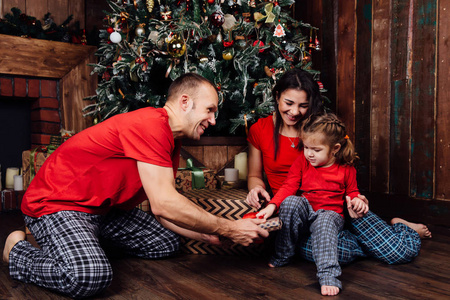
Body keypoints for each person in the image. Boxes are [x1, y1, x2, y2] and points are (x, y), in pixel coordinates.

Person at [2, 73, 268, 298]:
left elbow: (160, 207)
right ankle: (17, 252)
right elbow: (166, 204)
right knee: (89, 276)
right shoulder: (151, 125)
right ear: (185, 102)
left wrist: (203, 235)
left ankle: (80, 247)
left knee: (166, 243)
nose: (213, 120)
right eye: (210, 110)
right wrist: (230, 227)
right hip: (57, 205)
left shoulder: (171, 141)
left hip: (101, 211)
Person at [245, 68, 430, 267]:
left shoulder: (320, 128)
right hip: (298, 219)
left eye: (303, 106)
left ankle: (401, 228)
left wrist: (357, 197)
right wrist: (256, 188)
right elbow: (255, 175)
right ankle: (375, 240)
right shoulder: (260, 129)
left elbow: (343, 169)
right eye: (288, 103)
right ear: (277, 96)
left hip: (339, 209)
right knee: (333, 252)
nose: (295, 111)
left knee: (399, 253)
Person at [256, 113, 369, 296]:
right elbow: (289, 186)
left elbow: (353, 192)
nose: (309, 153)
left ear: (335, 148)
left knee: (324, 220)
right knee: (292, 201)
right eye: (306, 147)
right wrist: (272, 206)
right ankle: (283, 254)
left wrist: (357, 199)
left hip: (330, 215)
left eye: (315, 150)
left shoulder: (346, 169)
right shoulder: (302, 161)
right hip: (307, 211)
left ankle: (328, 276)